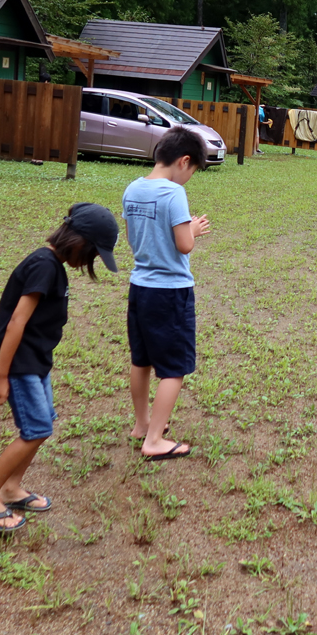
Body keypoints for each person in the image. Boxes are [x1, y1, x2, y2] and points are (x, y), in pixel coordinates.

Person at [0, 203, 120, 533]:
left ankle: (11, 488)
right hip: (19, 364)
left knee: (43, 422)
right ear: (78, 242)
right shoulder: (44, 265)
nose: (88, 263)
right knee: (35, 430)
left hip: (35, 360)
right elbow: (16, 321)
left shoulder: (53, 265)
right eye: (91, 254)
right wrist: (1, 374)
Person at [122, 127, 211, 461]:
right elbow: (183, 244)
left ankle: (142, 424)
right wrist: (194, 229)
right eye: (192, 171)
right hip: (170, 291)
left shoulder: (133, 188)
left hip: (140, 286)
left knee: (141, 360)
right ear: (184, 161)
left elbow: (133, 238)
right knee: (174, 368)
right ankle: (155, 440)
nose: (189, 178)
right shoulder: (173, 193)